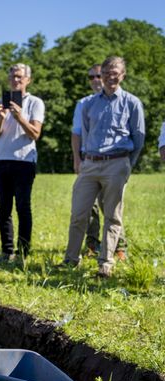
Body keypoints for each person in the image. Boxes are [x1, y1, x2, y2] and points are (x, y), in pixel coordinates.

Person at [63, 56, 145, 278]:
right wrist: (84, 159)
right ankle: (71, 259)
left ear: (123, 75)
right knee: (79, 214)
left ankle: (106, 263)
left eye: (115, 72)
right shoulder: (89, 104)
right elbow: (85, 134)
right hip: (91, 164)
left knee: (112, 216)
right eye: (106, 72)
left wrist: (127, 165)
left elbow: (139, 138)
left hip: (117, 164)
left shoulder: (132, 103)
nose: (110, 76)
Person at [72, 64, 127, 259]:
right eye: (91, 77)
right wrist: (77, 159)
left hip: (112, 162)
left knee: (110, 206)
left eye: (98, 75)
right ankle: (93, 243)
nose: (95, 79)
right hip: (89, 160)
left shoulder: (120, 101)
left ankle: (119, 246)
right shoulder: (84, 103)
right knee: (89, 207)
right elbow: (76, 134)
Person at [0, 63, 45, 261]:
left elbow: (35, 134)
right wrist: (2, 118)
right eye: (13, 76)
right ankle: (6, 251)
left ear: (28, 80)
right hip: (3, 160)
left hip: (24, 160)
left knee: (23, 207)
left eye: (20, 77)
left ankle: (23, 252)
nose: (16, 80)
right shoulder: (0, 102)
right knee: (4, 209)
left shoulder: (35, 103)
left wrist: (19, 117)